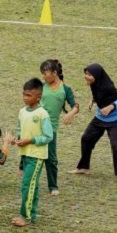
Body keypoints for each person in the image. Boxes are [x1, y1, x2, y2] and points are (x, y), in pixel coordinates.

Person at [70, 63, 117, 186]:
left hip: (114, 120)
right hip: (100, 118)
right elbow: (99, 95)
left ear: (97, 75)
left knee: (116, 146)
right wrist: (92, 100)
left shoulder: (108, 87)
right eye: (86, 74)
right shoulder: (95, 84)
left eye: (89, 74)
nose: (86, 76)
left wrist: (111, 107)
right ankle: (83, 167)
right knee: (86, 138)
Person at [12, 79, 54, 227]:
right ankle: (32, 214)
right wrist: (17, 139)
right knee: (31, 186)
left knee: (27, 185)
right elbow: (20, 130)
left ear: (38, 97)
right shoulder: (22, 112)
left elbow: (48, 136)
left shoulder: (42, 114)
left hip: (36, 155)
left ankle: (26, 216)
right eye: (24, 94)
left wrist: (30, 140)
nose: (25, 98)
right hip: (25, 153)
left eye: (29, 95)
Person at [39, 59, 80, 196]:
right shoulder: (41, 87)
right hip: (36, 123)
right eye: (42, 73)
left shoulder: (65, 89)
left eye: (45, 73)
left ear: (55, 73)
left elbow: (75, 105)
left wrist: (71, 113)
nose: (43, 76)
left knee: (51, 158)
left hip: (51, 128)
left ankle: (53, 186)